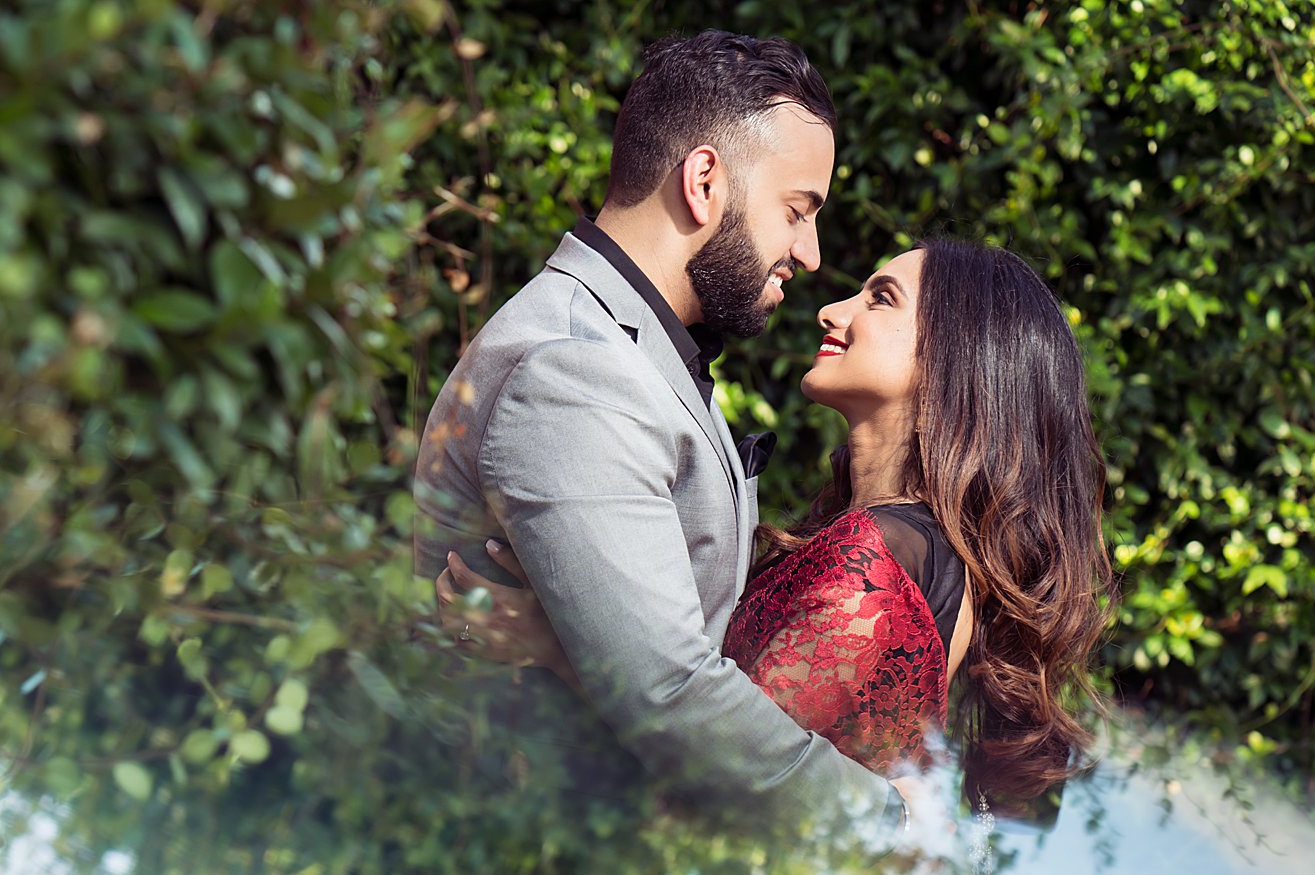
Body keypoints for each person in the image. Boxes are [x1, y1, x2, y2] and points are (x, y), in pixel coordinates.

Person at [412, 30, 912, 830]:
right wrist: (882, 820)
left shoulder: (641, 347)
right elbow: (668, 693)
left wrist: (569, 650)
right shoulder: (578, 374)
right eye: (797, 211)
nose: (811, 254)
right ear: (705, 181)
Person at [453, 240, 1115, 813]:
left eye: (880, 298)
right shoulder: (919, 550)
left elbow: (722, 775)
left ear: (955, 354)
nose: (834, 311)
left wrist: (563, 647)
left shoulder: (878, 554)